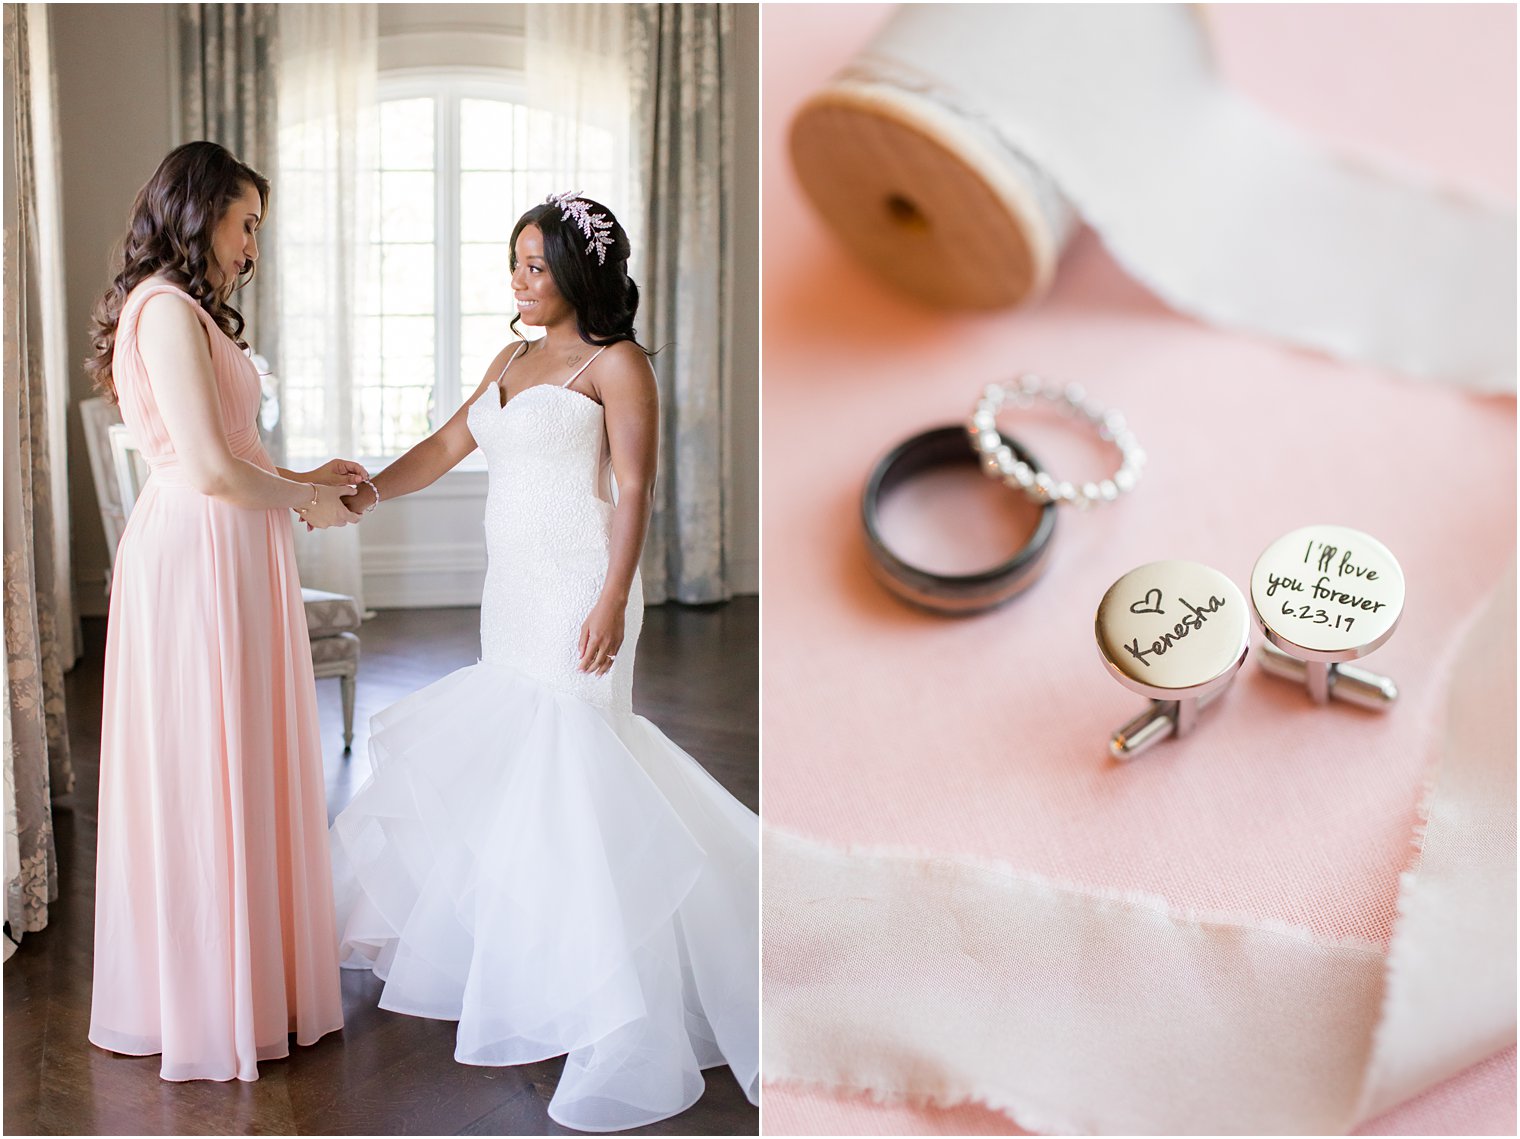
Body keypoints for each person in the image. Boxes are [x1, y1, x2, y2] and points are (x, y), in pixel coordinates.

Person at [329, 193, 759, 1131]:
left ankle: (614, 995)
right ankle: (544, 958)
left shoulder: (620, 363)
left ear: (578, 271)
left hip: (579, 580)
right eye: (513, 262)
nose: (518, 280)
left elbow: (637, 486)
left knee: (580, 759)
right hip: (513, 591)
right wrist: (367, 492)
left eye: (534, 264)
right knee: (531, 766)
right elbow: (450, 443)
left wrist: (610, 595)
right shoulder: (514, 358)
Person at [85, 141, 360, 1081]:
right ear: (199, 214)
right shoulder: (162, 310)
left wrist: (305, 478)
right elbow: (203, 468)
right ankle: (209, 999)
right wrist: (305, 500)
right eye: (245, 224)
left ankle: (256, 980)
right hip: (197, 557)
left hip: (235, 547)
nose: (251, 246)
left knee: (244, 756)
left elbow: (234, 449)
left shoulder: (192, 313)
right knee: (208, 762)